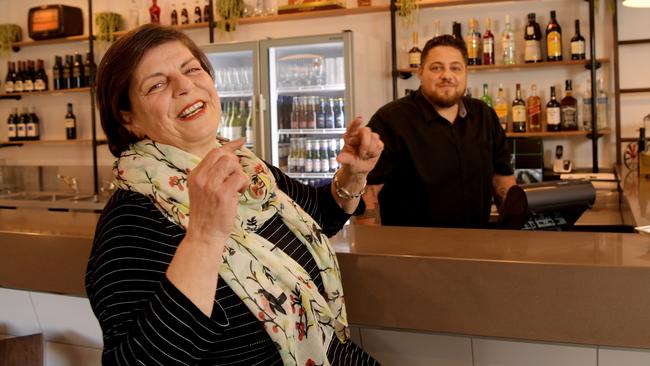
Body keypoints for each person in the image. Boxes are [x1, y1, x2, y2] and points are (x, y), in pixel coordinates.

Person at [85, 24, 383, 365]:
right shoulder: (131, 218)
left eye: (192, 69)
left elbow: (319, 216)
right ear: (128, 120)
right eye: (156, 84)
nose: (184, 86)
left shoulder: (246, 166)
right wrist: (204, 237)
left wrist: (353, 173)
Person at [364, 34, 516, 228]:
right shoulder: (390, 120)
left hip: (476, 246)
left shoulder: (484, 115)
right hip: (409, 252)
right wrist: (372, 248)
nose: (447, 75)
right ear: (420, 72)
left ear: (465, 73)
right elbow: (368, 189)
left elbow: (503, 182)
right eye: (437, 68)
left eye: (455, 68)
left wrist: (515, 233)